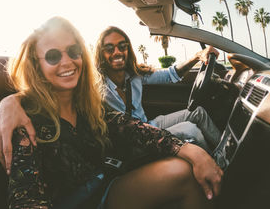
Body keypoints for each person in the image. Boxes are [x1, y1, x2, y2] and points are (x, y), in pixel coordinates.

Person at [0, 17, 223, 208]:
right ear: (36, 66)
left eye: (73, 51)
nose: (67, 61)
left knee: (185, 168)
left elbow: (133, 128)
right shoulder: (26, 123)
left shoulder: (89, 106)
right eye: (52, 56)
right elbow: (25, 195)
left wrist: (193, 152)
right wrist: (12, 100)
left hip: (106, 186)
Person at [94, 26, 222, 151]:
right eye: (109, 48)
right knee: (190, 129)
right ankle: (217, 165)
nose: (117, 52)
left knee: (197, 112)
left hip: (149, 124)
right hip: (134, 140)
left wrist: (197, 56)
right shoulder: (96, 86)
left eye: (122, 46)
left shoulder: (136, 74)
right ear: (101, 52)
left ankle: (223, 152)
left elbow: (170, 74)